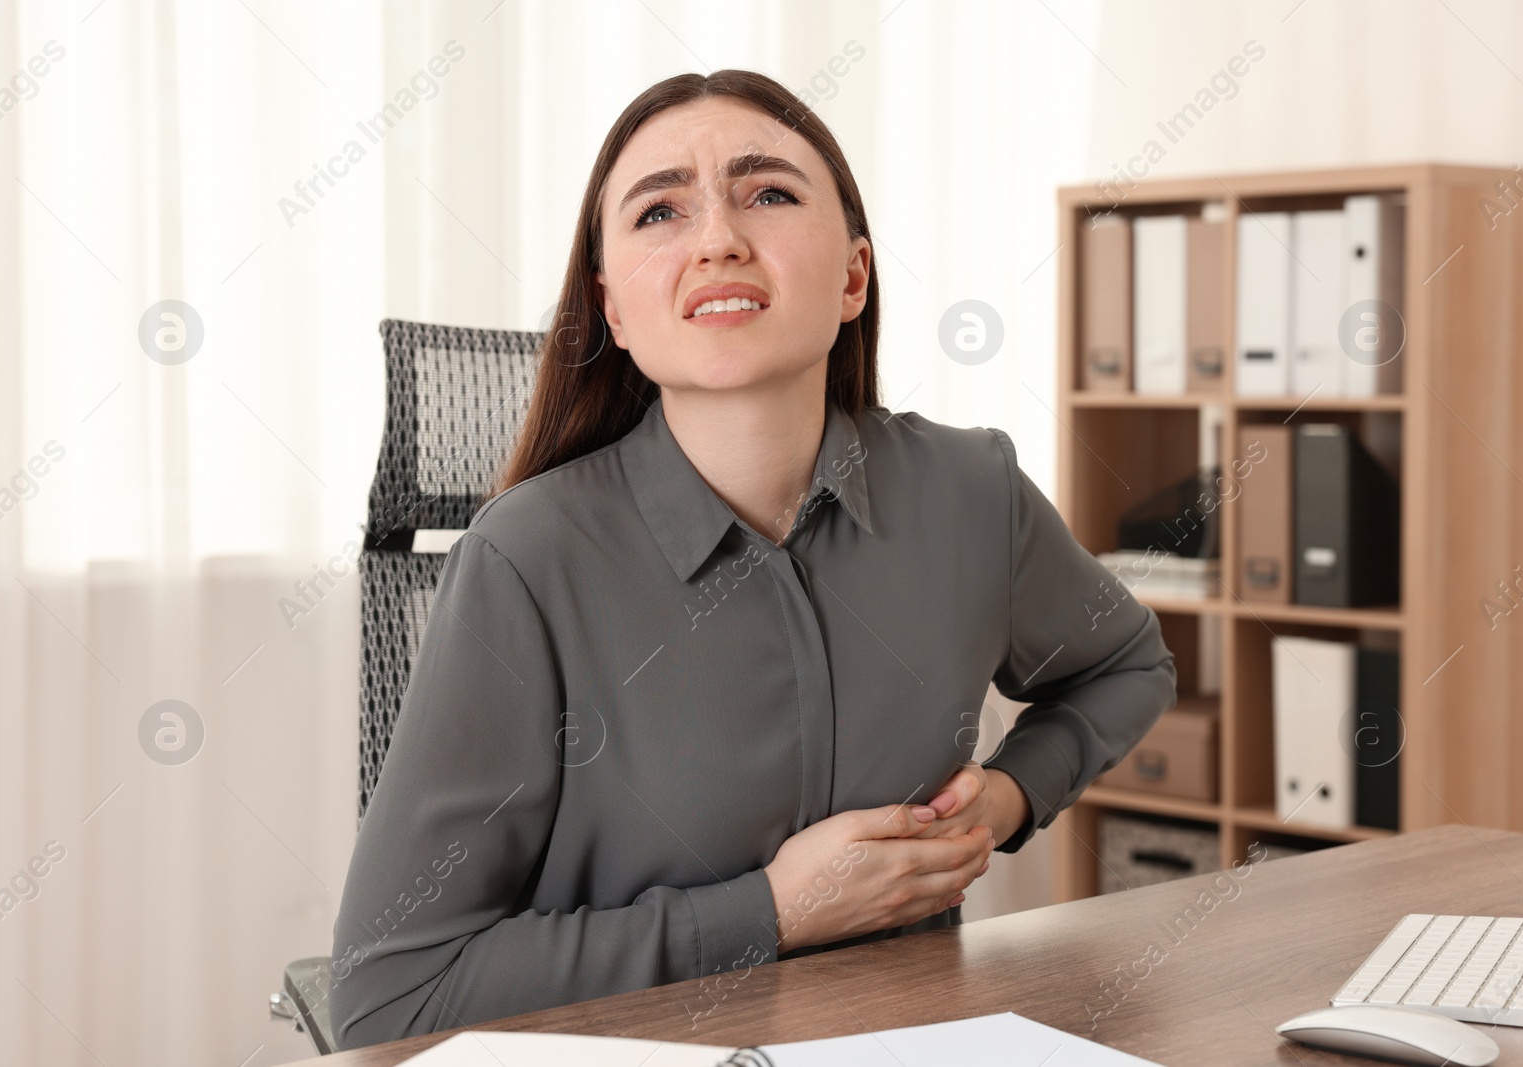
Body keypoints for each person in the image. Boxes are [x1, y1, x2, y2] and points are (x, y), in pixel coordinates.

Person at [329, 68, 1175, 1050]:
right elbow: (388, 991)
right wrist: (773, 909)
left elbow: (1124, 663)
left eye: (767, 192)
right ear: (612, 309)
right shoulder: (525, 559)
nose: (718, 239)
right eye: (659, 212)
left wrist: (1007, 793)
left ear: (854, 275)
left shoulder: (969, 490)